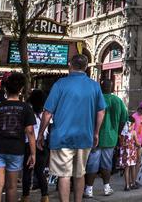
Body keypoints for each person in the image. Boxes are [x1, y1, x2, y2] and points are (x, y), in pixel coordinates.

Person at [37, 55, 106, 202]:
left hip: (62, 137)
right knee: (80, 173)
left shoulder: (60, 84)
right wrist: (96, 132)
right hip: (84, 136)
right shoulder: (94, 86)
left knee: (64, 175)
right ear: (86, 67)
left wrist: (41, 133)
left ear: (70, 65)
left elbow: (48, 112)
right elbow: (101, 111)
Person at [0, 72, 36, 202]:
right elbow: (30, 132)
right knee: (11, 187)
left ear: (5, 88)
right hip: (16, 150)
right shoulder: (26, 108)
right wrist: (33, 153)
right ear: (21, 89)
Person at [85, 79, 128, 198]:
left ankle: (89, 189)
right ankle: (106, 187)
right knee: (107, 164)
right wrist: (117, 133)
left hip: (94, 137)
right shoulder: (118, 101)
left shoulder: (95, 99)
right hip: (110, 138)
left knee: (92, 164)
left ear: (100, 87)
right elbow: (124, 120)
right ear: (113, 88)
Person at [23, 89, 50, 202]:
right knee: (40, 171)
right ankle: (45, 196)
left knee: (27, 171)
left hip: (28, 143)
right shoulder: (46, 112)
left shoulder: (27, 111)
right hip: (42, 143)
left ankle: (25, 197)